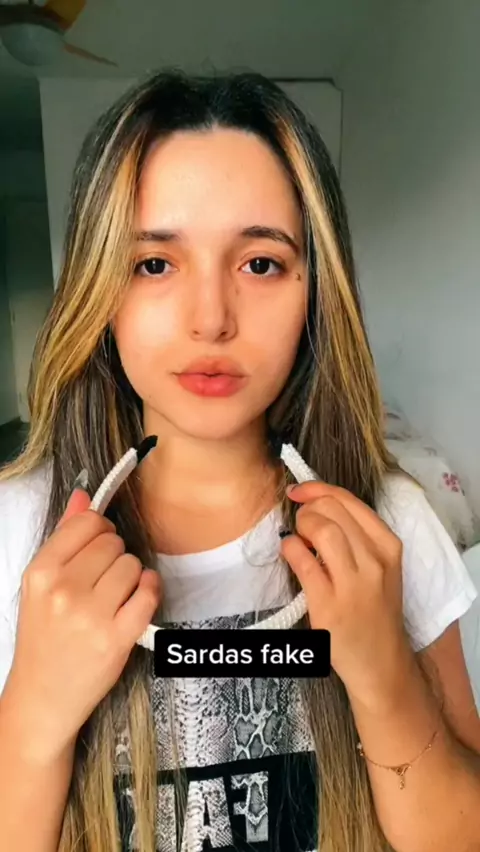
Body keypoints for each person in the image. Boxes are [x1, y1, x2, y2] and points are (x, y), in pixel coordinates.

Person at [0, 71, 479, 852]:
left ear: (315, 289)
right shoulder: (19, 535)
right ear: (99, 289)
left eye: (260, 263)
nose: (211, 319)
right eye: (155, 264)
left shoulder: (389, 523)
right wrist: (32, 718)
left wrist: (388, 683)